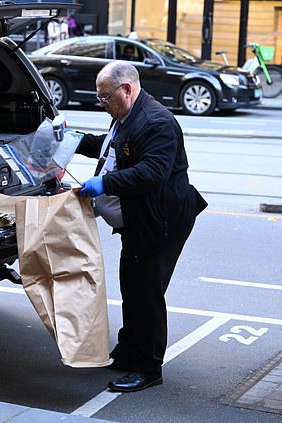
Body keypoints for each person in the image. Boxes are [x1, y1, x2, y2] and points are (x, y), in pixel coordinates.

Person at [76, 61, 207, 392]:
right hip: (140, 219)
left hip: (162, 220)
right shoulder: (124, 117)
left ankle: (148, 368)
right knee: (131, 286)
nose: (101, 103)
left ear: (127, 90)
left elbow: (152, 172)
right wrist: (74, 140)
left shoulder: (155, 122)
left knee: (146, 293)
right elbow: (109, 148)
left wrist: (105, 183)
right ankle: (129, 348)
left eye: (105, 97)